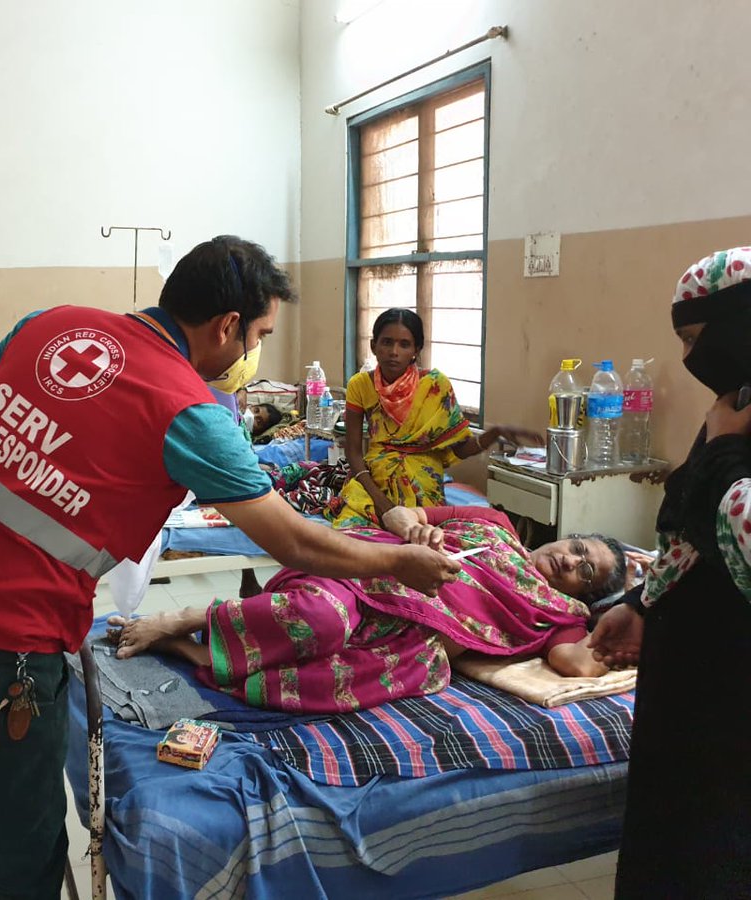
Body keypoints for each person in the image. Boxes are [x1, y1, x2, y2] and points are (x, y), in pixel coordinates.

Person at [0, 236, 461, 899]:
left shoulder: (50, 325)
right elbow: (297, 545)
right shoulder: (188, 410)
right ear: (227, 327)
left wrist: (48, 458)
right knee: (20, 847)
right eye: (258, 334)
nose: (254, 352)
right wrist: (397, 561)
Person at [110, 504, 625, 713]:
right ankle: (187, 618)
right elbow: (399, 511)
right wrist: (412, 531)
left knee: (395, 671)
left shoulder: (559, 615)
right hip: (369, 574)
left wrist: (632, 619)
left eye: (587, 572)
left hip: (405, 639)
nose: (570, 562)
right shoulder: (494, 525)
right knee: (322, 620)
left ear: (585, 595)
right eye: (579, 548)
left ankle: (200, 656)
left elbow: (575, 664)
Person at [589, 247, 751, 897]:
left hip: (733, 702)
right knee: (672, 844)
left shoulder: (733, 423)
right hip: (690, 689)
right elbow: (688, 532)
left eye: (694, 338)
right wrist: (641, 602)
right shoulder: (734, 400)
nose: (688, 359)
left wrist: (727, 455)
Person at [330, 308, 541, 527]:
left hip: (424, 486)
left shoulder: (435, 386)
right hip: (374, 481)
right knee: (350, 534)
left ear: (416, 350)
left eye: (404, 344)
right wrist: (380, 501)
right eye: (387, 342)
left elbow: (460, 448)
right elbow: (353, 451)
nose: (394, 351)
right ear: (374, 346)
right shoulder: (360, 385)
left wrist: (494, 434)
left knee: (424, 541)